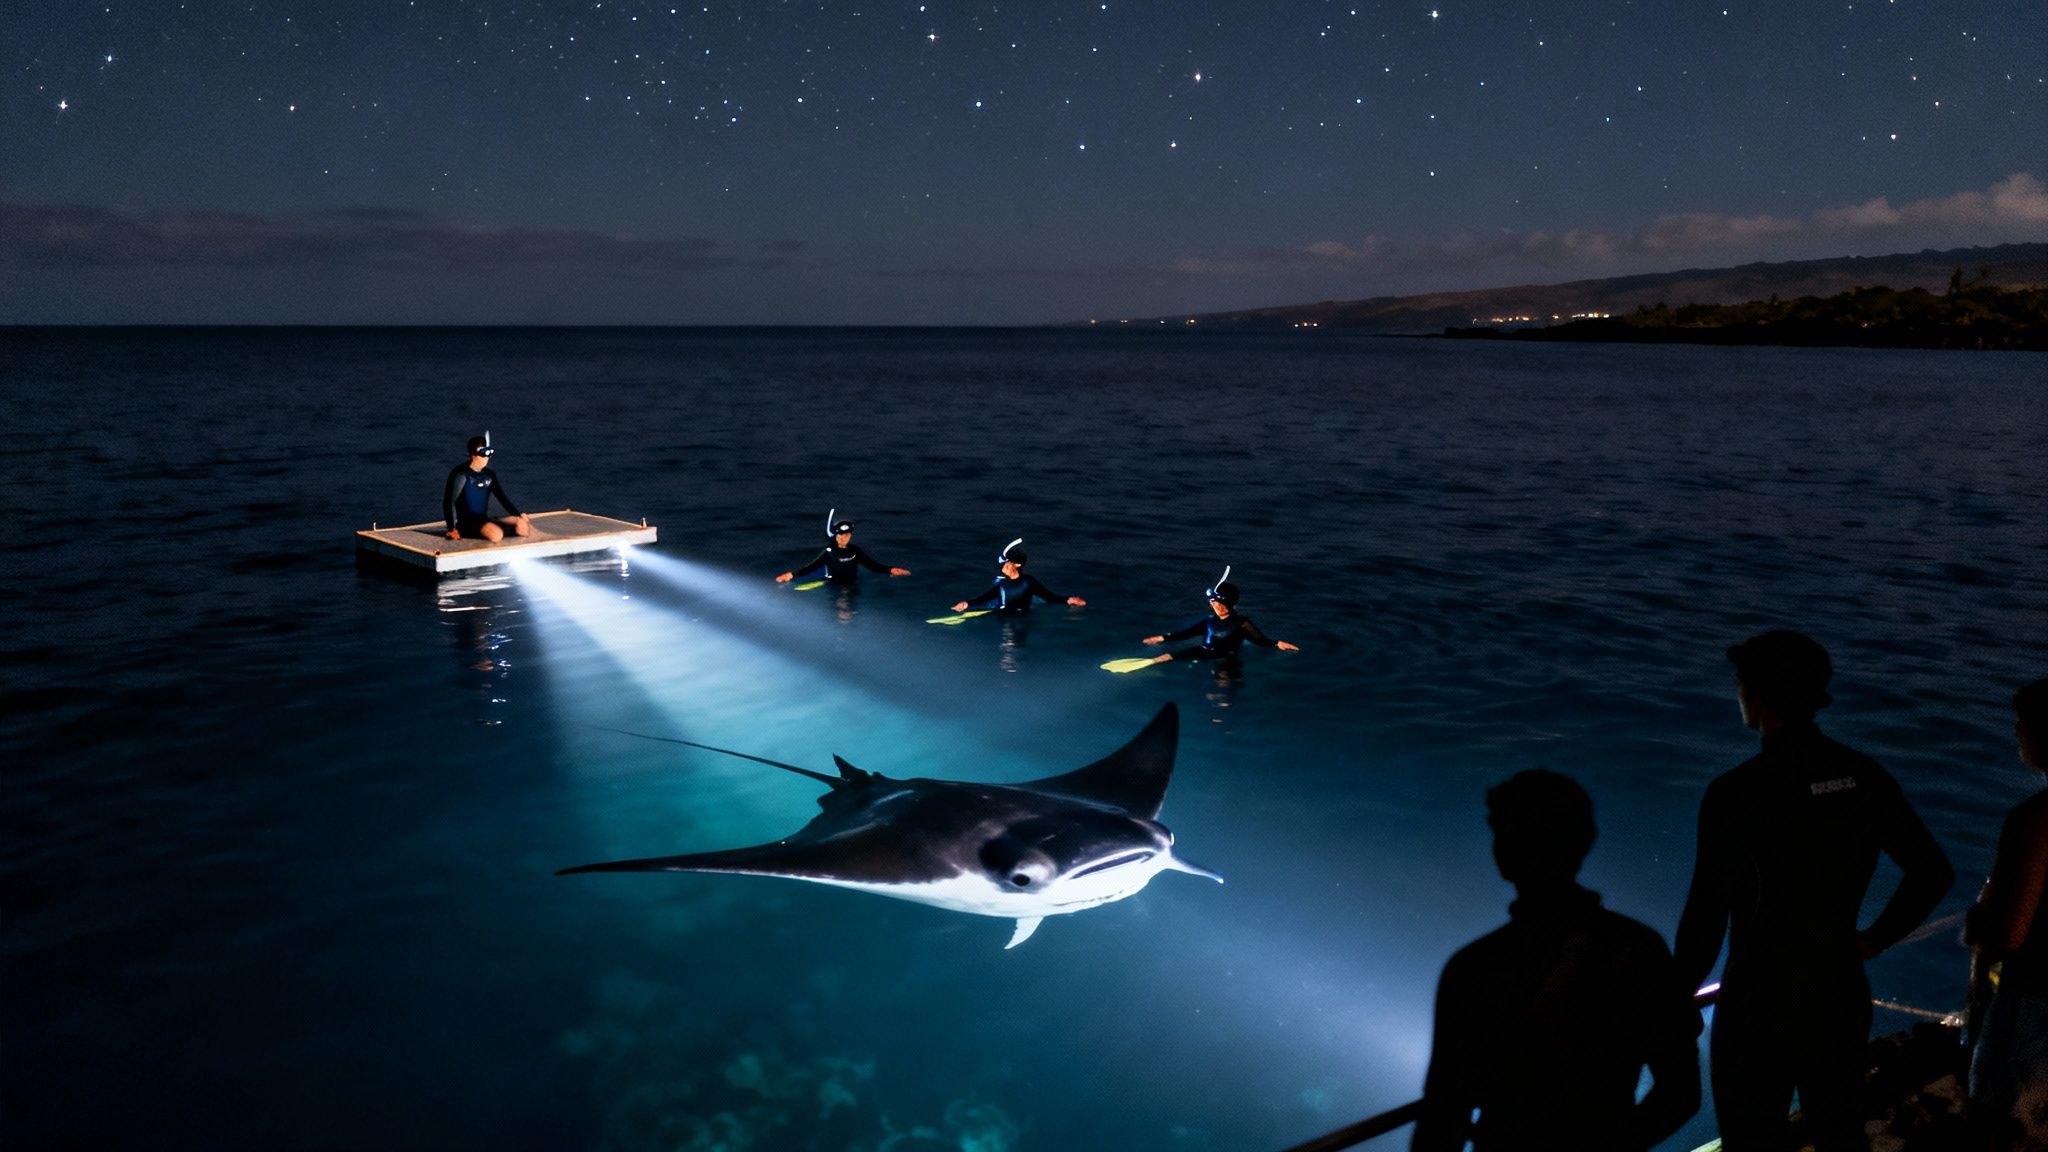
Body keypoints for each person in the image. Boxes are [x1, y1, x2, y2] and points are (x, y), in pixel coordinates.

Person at [1673, 629, 1954, 1152]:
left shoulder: (1737, 791)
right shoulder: (1862, 775)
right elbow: (1933, 872)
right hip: (1837, 989)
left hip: (1759, 998)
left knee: (1753, 1138)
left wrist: (1676, 994)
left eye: (1740, 683)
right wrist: (1875, 939)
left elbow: (1706, 913)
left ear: (1756, 695)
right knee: (1839, 1132)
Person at [1413, 770, 1700, 1152]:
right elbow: (1681, 1092)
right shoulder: (1640, 946)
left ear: (1503, 853)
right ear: (1585, 840)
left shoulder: (1473, 968)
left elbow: (1443, 1117)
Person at [1966, 678, 2048, 1151]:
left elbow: (2008, 932)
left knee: (2005, 1131)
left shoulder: (2035, 820)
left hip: (2035, 1010)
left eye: (2023, 724)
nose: (2016, 732)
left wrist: (1977, 923)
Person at [1138, 567, 1299, 665]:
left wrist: (1277, 644)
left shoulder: (1242, 623)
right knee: (1165, 657)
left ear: (1228, 603)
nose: (1213, 606)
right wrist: (1162, 638)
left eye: (1217, 603)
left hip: (1226, 659)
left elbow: (1260, 640)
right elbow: (1186, 633)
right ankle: (1151, 663)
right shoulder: (1209, 621)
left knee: (1224, 686)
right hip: (1203, 652)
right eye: (1212, 603)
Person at [949, 539, 1084, 615]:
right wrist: (967, 603)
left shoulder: (1028, 582)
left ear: (1017, 564)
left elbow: (1049, 597)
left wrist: (1068, 599)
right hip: (1001, 616)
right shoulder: (1001, 583)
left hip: (1022, 619)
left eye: (1007, 563)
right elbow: (986, 597)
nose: (1003, 567)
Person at [774, 512, 910, 584]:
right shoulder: (830, 552)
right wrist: (791, 575)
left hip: (853, 585)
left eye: (847, 535)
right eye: (840, 535)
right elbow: (811, 567)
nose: (843, 538)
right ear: (836, 536)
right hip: (834, 585)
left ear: (850, 536)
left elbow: (873, 565)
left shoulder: (855, 551)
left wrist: (891, 570)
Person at [442, 433, 530, 543]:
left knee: (522, 525)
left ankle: (519, 554)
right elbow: (449, 502)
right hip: (466, 523)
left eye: (489, 454)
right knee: (496, 535)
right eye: (484, 455)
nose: (487, 458)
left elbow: (502, 497)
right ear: (473, 455)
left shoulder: (489, 475)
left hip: (484, 519)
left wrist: (518, 514)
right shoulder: (461, 475)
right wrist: (452, 528)